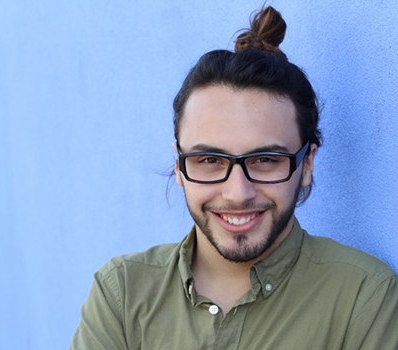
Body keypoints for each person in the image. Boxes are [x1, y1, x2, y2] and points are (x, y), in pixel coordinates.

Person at [71, 6, 397, 349]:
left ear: (308, 163)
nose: (237, 192)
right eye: (209, 159)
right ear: (180, 165)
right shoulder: (122, 293)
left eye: (266, 159)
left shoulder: (363, 297)